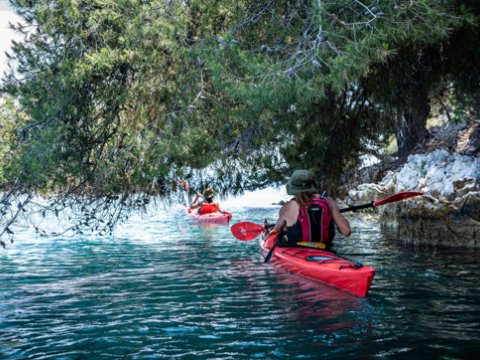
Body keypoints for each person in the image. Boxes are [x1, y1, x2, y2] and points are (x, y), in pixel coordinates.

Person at [273, 170, 351, 246]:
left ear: (293, 187)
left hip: (296, 250)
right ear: (312, 185)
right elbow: (346, 231)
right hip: (324, 249)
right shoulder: (328, 201)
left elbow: (277, 230)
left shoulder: (288, 206)